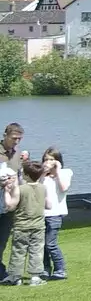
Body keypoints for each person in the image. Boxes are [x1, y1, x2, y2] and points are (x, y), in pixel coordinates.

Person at [3, 160, 47, 285]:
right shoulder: (43, 188)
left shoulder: (20, 189)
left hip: (21, 226)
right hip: (38, 226)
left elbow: (10, 206)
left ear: (26, 175)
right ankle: (35, 277)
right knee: (36, 251)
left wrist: (7, 192)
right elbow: (48, 204)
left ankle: (15, 277)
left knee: (18, 251)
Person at [40, 147, 71, 280]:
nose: (48, 162)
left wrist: (56, 171)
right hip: (41, 214)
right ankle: (45, 269)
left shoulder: (65, 172)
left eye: (52, 159)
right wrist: (42, 172)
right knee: (41, 244)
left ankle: (60, 269)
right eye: (46, 159)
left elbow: (63, 188)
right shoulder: (42, 176)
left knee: (50, 243)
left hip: (56, 214)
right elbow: (37, 187)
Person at [0, 121, 24, 282]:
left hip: (8, 205)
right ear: (5, 136)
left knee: (2, 240)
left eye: (19, 139)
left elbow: (20, 177)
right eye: (14, 138)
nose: (16, 142)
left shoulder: (16, 155)